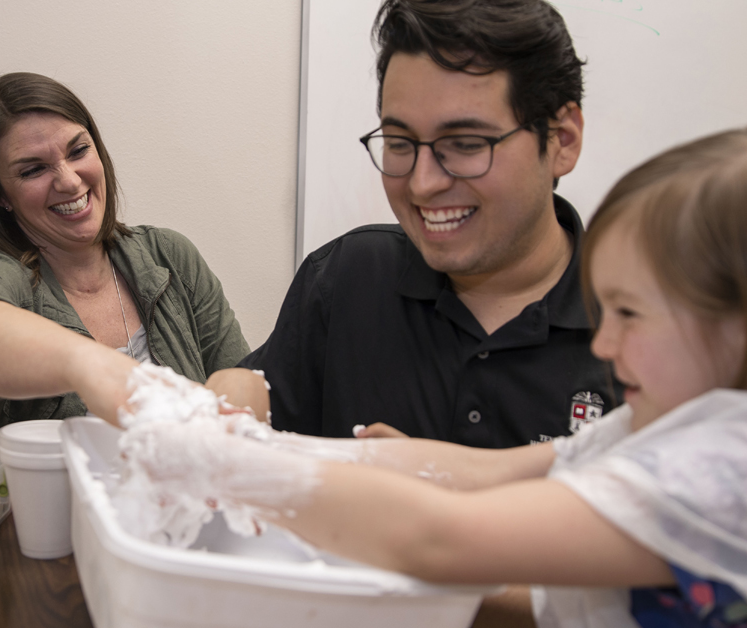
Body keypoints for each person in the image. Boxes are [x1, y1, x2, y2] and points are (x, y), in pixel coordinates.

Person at [123, 125, 747, 627]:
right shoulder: (675, 418)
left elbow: (443, 538)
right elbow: (485, 473)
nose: (603, 337)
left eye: (630, 313)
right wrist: (295, 452)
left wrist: (223, 463)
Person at [228, 0, 619, 446]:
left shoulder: (645, 328)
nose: (422, 183)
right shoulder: (347, 277)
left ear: (562, 140)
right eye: (399, 143)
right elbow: (251, 422)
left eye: (466, 144)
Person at [0, 72, 256, 433]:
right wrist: (92, 366)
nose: (68, 181)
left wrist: (227, 405)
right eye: (34, 169)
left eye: (78, 151)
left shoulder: (169, 256)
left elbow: (240, 376)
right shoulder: (1, 272)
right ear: (0, 195)